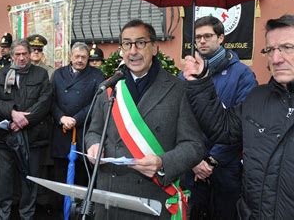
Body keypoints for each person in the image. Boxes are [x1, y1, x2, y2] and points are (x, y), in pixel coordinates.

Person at [183, 14, 294, 219]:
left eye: (288, 48)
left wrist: (212, 161)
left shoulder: (242, 75)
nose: (276, 58)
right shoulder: (258, 98)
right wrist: (201, 82)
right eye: (270, 50)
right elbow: (224, 129)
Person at [86, 19, 205, 219]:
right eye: (127, 43)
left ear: (155, 48)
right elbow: (93, 131)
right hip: (109, 200)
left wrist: (162, 162)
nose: (133, 51)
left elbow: (194, 146)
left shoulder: (177, 89)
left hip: (152, 200)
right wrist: (94, 145)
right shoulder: (110, 86)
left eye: (140, 43)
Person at [180, 16, 257, 220]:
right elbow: (181, 120)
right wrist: (194, 158)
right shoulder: (186, 75)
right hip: (192, 167)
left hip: (225, 168)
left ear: (221, 37)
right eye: (198, 38)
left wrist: (212, 160)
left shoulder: (243, 74)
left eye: (207, 36)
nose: (202, 41)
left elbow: (242, 123)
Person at [0, 39, 52, 220]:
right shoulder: (0, 75)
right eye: (18, 54)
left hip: (33, 136)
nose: (22, 58)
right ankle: (3, 214)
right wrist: (13, 114)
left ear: (30, 54)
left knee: (29, 179)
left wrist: (24, 120)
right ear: (12, 55)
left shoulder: (41, 74)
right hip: (7, 136)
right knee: (5, 179)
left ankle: (27, 215)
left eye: (25, 54)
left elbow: (45, 102)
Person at [51, 42, 105, 203]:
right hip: (62, 131)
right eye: (77, 56)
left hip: (83, 132)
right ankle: (61, 210)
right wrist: (61, 118)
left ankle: (81, 210)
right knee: (61, 175)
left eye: (84, 57)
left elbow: (97, 102)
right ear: (70, 56)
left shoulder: (96, 75)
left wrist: (76, 119)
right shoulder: (58, 74)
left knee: (82, 175)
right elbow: (50, 100)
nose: (80, 60)